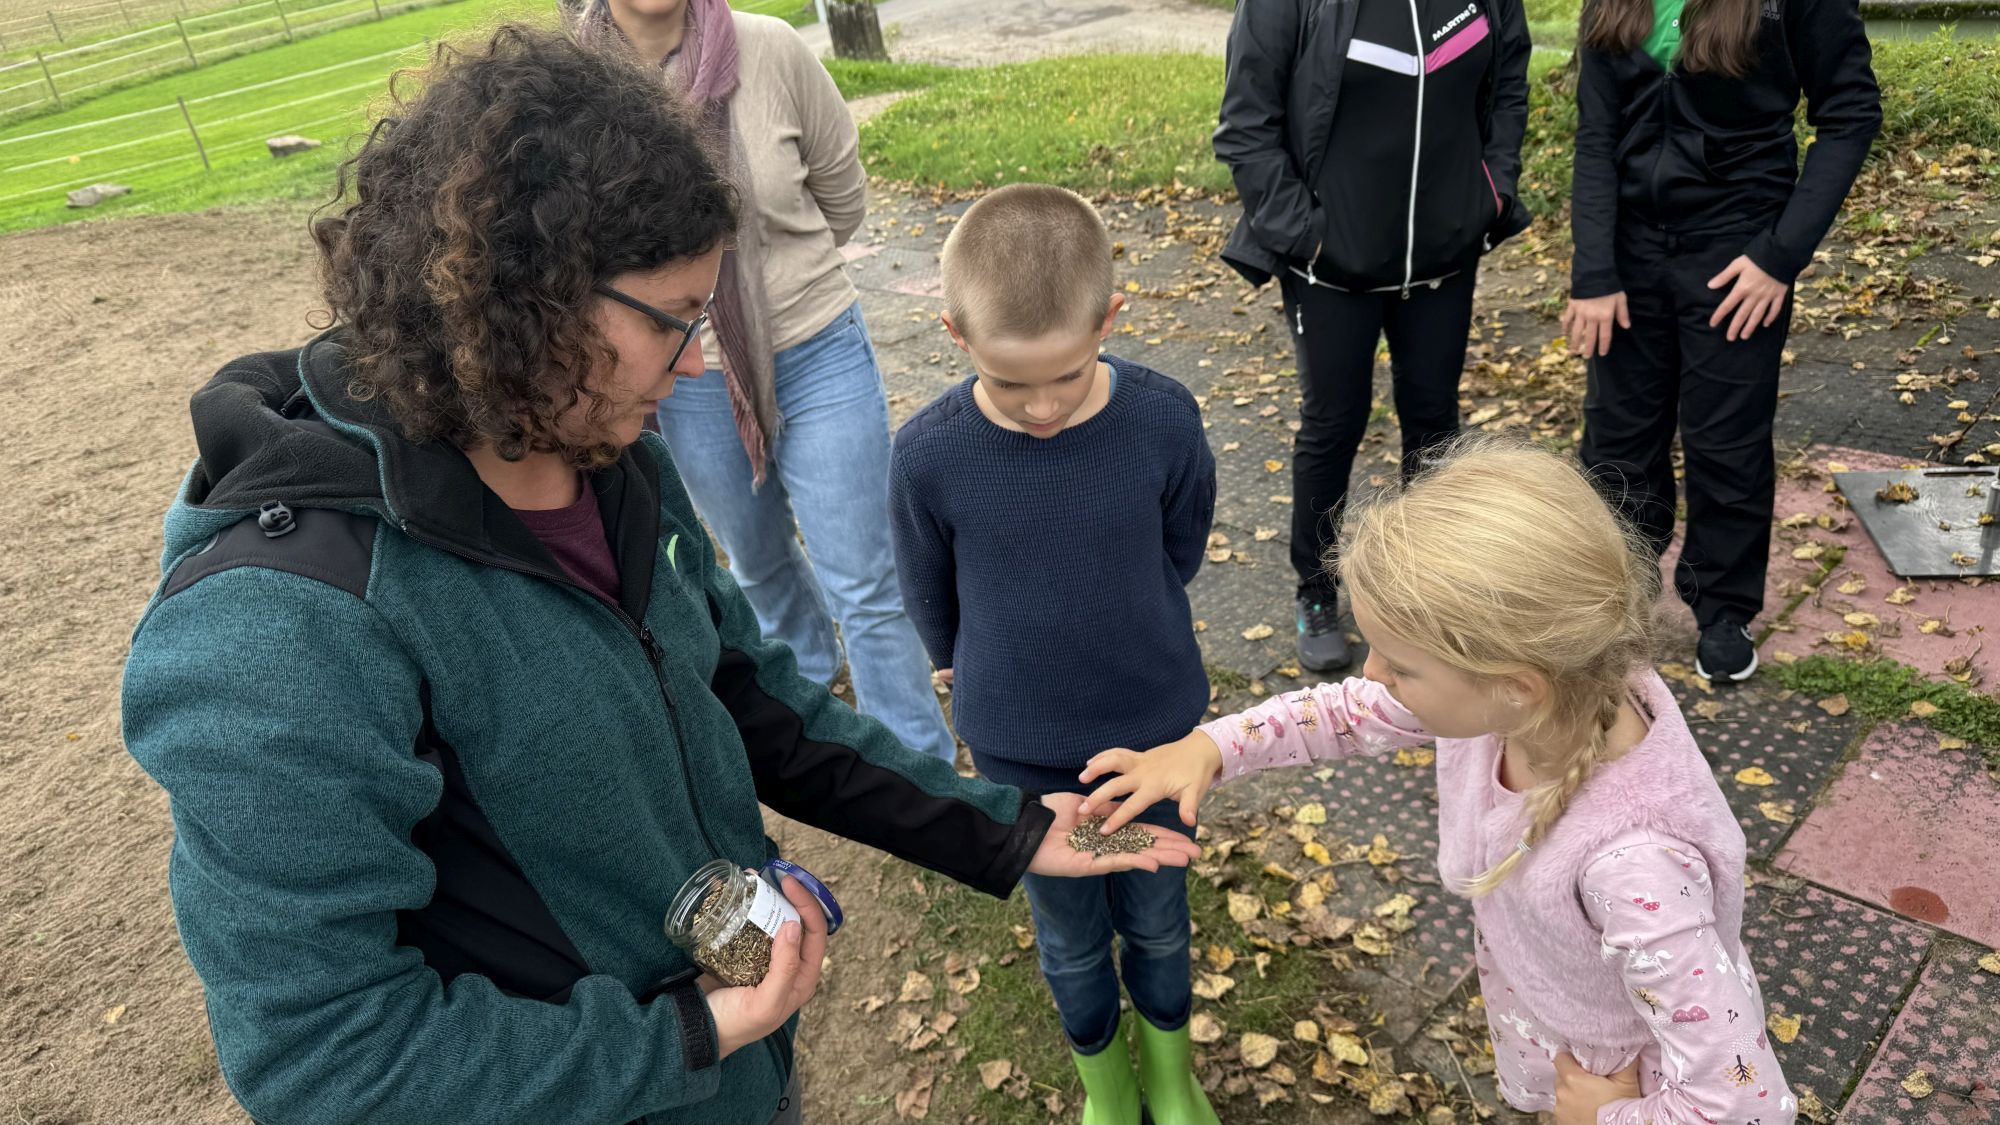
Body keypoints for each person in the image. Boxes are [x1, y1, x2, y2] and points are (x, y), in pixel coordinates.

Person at [118, 31, 1198, 1125]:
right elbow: (326, 1060)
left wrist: (1007, 830)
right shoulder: (283, 626)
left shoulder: (602, 453)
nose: (696, 362)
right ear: (525, 296)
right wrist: (683, 1035)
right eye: (675, 320)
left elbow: (742, 688)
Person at [1078, 439, 1797, 1125]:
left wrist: (1607, 1114)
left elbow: (1743, 1102)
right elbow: (1351, 713)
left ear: (1517, 685)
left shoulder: (1637, 865)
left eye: (1399, 662)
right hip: (1565, 1027)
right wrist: (1213, 745)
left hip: (1628, 1082)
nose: (1372, 675)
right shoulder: (1560, 678)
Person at [888, 184, 1220, 1125]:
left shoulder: (1163, 420)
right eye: (1009, 382)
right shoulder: (929, 453)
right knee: (1069, 933)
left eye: (1066, 376)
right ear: (955, 336)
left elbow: (1181, 543)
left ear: (1110, 320)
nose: (1040, 406)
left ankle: (1168, 1072)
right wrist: (951, 654)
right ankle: (1105, 1087)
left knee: (1157, 915)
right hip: (1020, 748)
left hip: (1152, 728)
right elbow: (926, 581)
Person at [573, 0, 958, 762]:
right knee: (755, 561)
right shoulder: (573, 86)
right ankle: (807, 699)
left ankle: (915, 763)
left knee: (867, 577)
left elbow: (842, 197)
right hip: (684, 373)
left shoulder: (771, 50)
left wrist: (766, 292)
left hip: (815, 341)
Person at [1561, 0, 1880, 682]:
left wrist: (1780, 255)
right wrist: (1593, 269)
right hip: (1628, 255)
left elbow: (1849, 116)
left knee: (1725, 437)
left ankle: (1723, 609)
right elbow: (1595, 136)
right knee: (1617, 435)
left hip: (1738, 253)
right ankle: (1619, 587)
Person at [1213, 0, 1534, 674]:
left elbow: (1508, 87)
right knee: (1333, 425)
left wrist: (1493, 190)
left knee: (1433, 424)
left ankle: (1430, 588)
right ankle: (1317, 589)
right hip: (1332, 270)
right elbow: (1246, 126)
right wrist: (1309, 236)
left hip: (1443, 259)